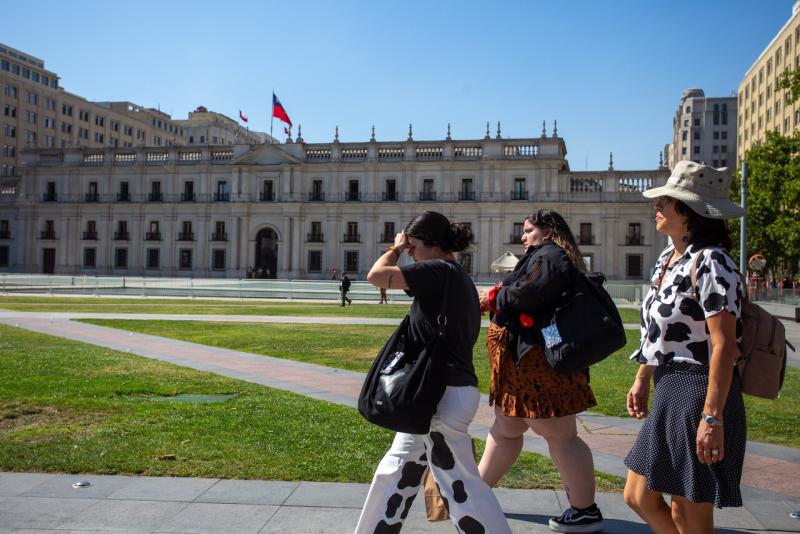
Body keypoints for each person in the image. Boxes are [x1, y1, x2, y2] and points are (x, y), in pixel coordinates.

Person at [355, 211, 511, 534]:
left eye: (414, 246)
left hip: (441, 395)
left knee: (464, 489)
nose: (411, 253)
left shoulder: (439, 270)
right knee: (396, 469)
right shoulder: (459, 278)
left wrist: (395, 248)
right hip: (437, 394)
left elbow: (376, 275)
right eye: (407, 247)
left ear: (432, 243)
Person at [623, 161, 747, 534]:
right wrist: (642, 376)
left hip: (698, 391)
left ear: (691, 211)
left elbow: (725, 345)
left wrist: (712, 418)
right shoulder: (668, 259)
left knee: (688, 511)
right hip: (668, 386)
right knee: (637, 495)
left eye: (667, 201)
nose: (657, 207)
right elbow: (658, 332)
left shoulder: (712, 262)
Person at [477, 208, 604, 533]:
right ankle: (476, 495)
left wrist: (494, 296)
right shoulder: (547, 257)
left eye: (529, 230)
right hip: (523, 367)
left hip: (539, 367)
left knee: (560, 436)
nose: (523, 236)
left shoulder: (550, 256)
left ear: (547, 231)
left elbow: (528, 294)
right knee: (507, 428)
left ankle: (584, 510)